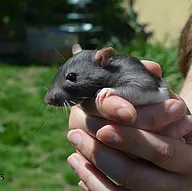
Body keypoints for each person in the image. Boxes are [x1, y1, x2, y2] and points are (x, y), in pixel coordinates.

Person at [67, 14, 192, 191]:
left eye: (71, 78)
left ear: (103, 60)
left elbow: (148, 91)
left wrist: (115, 92)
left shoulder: (128, 73)